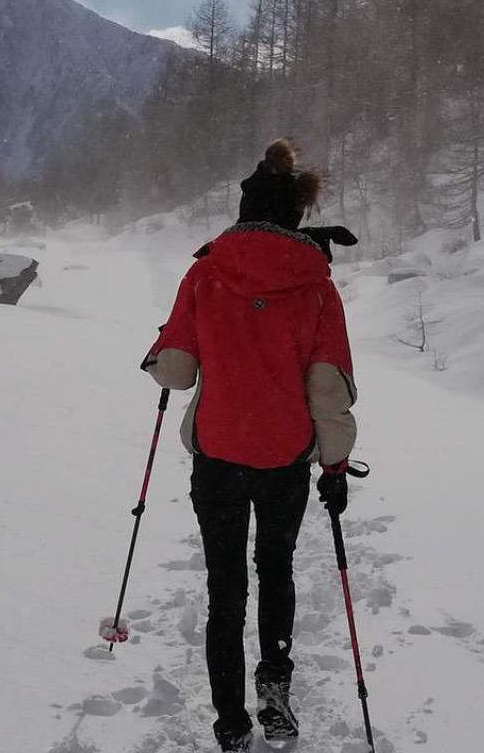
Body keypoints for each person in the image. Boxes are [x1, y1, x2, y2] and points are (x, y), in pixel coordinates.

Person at [140, 139, 358, 752]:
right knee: (277, 570)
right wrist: (334, 464)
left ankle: (230, 722)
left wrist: (161, 348)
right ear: (295, 215)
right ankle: (275, 686)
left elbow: (177, 370)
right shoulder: (315, 283)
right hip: (284, 458)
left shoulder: (206, 270)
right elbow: (328, 385)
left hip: (219, 456)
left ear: (243, 210)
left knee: (225, 588)